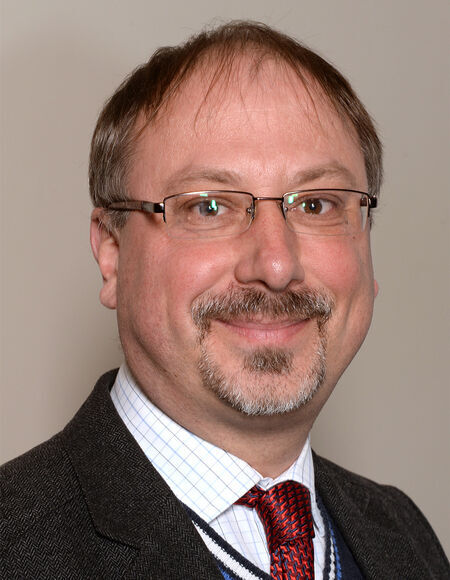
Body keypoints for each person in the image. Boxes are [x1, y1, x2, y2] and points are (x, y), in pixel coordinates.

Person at [1, 21, 448, 580]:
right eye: (209, 207)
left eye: (316, 205)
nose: (276, 266)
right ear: (112, 253)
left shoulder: (405, 537)